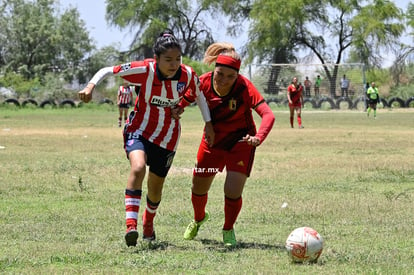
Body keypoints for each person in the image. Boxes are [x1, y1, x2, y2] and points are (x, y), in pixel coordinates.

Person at [78, 29, 214, 247]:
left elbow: (198, 94)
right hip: (139, 130)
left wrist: (207, 123)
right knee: (138, 167)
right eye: (168, 60)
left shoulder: (187, 74)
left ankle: (148, 223)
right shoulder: (143, 70)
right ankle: (130, 226)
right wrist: (90, 86)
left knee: (155, 187)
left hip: (168, 137)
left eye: (177, 59)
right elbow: (107, 70)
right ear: (157, 59)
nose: (173, 64)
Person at [178, 42, 275, 247]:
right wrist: (177, 109)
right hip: (212, 143)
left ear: (237, 76)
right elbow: (183, 102)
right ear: (215, 69)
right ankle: (198, 219)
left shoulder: (244, 87)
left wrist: (258, 137)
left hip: (240, 143)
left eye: (230, 77)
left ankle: (228, 228)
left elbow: (268, 115)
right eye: (220, 74)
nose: (224, 80)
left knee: (232, 189)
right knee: (199, 187)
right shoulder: (202, 83)